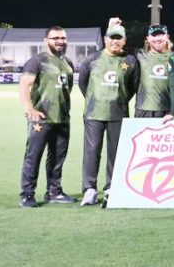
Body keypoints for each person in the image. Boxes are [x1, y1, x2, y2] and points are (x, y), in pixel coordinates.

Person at [77, 24, 139, 206]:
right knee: (91, 152)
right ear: (105, 39)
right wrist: (96, 100)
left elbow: (133, 87)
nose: (115, 41)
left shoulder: (130, 61)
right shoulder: (92, 59)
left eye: (119, 38)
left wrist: (119, 100)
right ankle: (89, 189)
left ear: (124, 41)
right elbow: (83, 84)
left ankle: (111, 188)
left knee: (116, 153)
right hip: (94, 113)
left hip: (118, 114)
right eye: (112, 37)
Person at [18, 26, 77, 207]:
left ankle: (54, 192)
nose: (60, 41)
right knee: (33, 157)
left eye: (63, 38)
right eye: (55, 38)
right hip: (41, 119)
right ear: (46, 41)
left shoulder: (68, 62)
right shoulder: (37, 61)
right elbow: (24, 84)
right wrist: (29, 108)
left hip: (62, 118)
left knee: (58, 158)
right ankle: (27, 194)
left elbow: (68, 89)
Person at [135, 23, 173, 118]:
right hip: (144, 109)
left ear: (167, 37)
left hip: (169, 110)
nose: (157, 38)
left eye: (161, 35)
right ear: (148, 38)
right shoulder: (140, 56)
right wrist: (112, 27)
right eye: (154, 35)